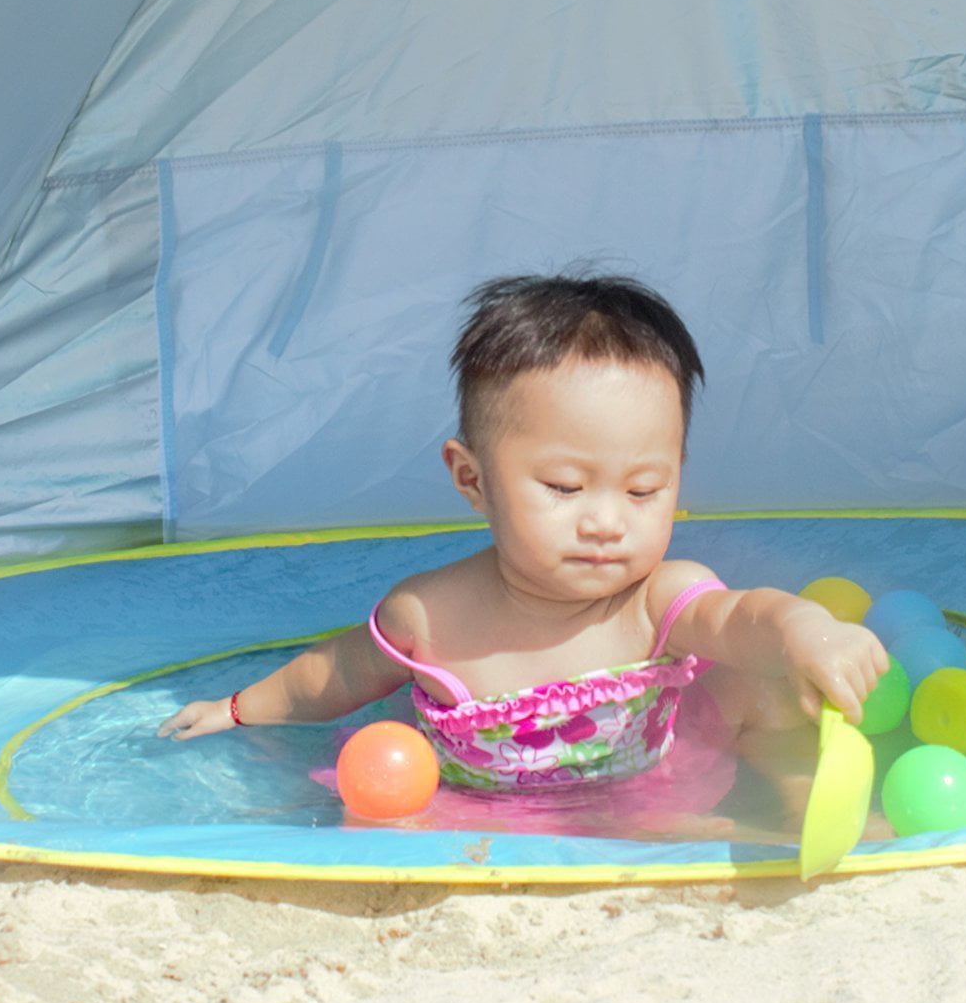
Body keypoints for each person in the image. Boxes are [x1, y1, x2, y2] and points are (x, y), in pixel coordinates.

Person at [158, 273, 886, 833]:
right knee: (390, 808)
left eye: (644, 490)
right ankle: (726, 837)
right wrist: (238, 710)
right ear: (472, 479)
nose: (607, 522)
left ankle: (802, 795)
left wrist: (809, 632)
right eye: (565, 487)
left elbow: (744, 617)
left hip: (651, 775)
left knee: (758, 684)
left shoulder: (657, 599)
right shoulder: (428, 616)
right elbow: (337, 673)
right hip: (488, 808)